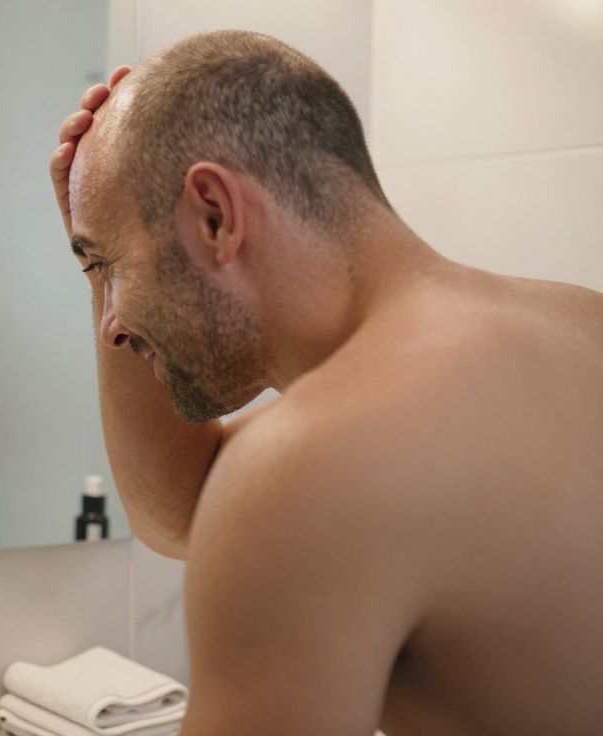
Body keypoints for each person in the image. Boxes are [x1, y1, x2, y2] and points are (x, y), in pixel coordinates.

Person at [50, 31, 603, 735]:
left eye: (107, 268)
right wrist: (103, 250)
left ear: (215, 216)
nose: (112, 323)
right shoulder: (583, 321)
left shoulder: (309, 467)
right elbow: (178, 507)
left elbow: (254, 496)